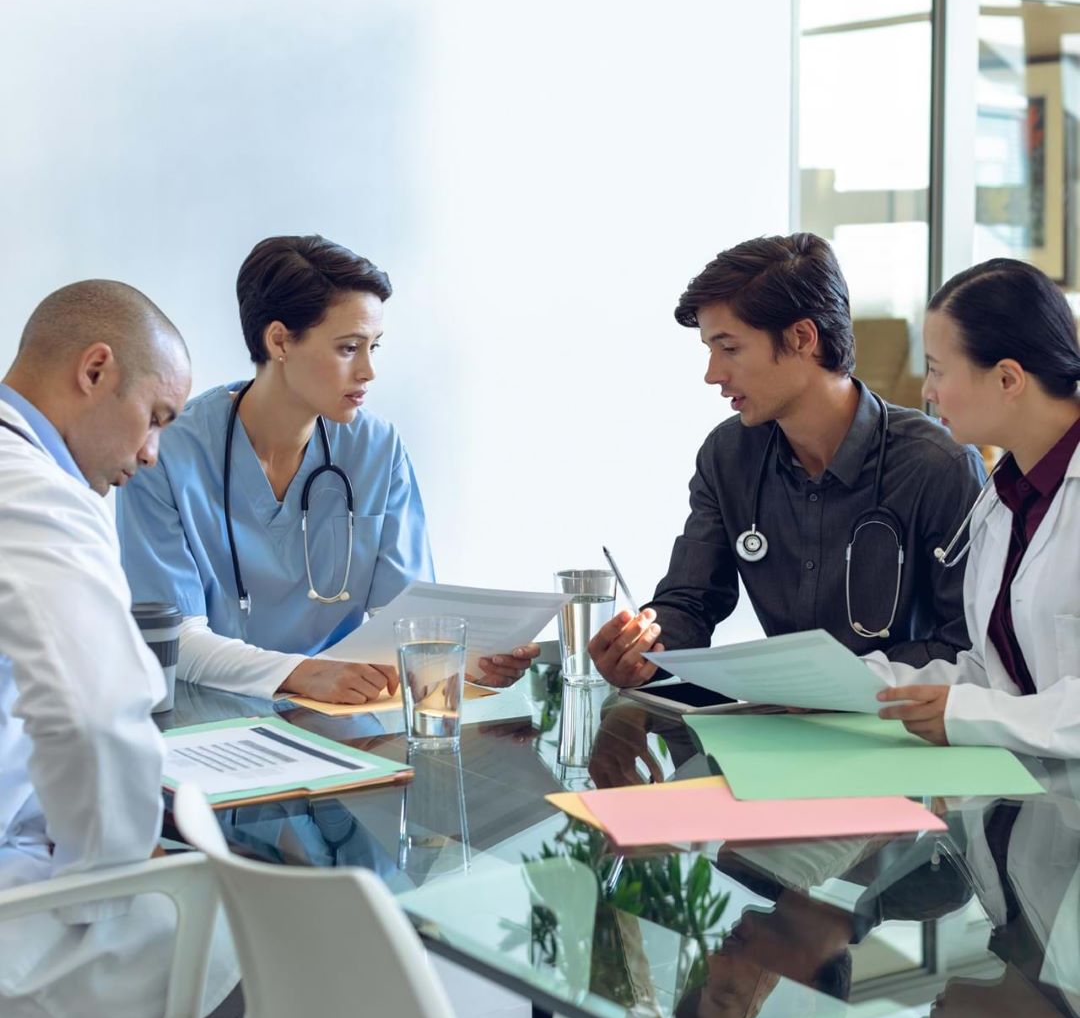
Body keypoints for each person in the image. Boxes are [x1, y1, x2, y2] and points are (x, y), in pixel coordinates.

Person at [117, 235, 536, 704]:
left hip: (348, 724)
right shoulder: (165, 452)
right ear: (279, 340)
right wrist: (303, 673)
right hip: (212, 723)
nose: (368, 372)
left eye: (374, 346)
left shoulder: (378, 449)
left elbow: (404, 624)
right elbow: (176, 640)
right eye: (348, 348)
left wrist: (474, 662)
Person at [0, 281, 238, 1018]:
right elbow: (95, 713)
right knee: (222, 931)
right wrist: (113, 884)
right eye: (156, 419)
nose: (150, 453)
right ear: (95, 371)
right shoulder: (34, 492)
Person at [589, 232, 986, 689]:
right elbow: (691, 601)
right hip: (784, 725)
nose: (712, 374)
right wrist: (647, 648)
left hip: (901, 733)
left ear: (801, 337)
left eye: (730, 348)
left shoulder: (938, 466)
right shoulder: (728, 457)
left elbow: (966, 645)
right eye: (710, 350)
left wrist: (839, 682)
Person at [871, 258, 1080, 753]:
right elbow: (1000, 675)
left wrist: (969, 714)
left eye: (937, 370)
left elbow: (994, 705)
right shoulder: (1006, 496)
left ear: (1008, 379)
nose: (927, 391)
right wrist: (858, 684)